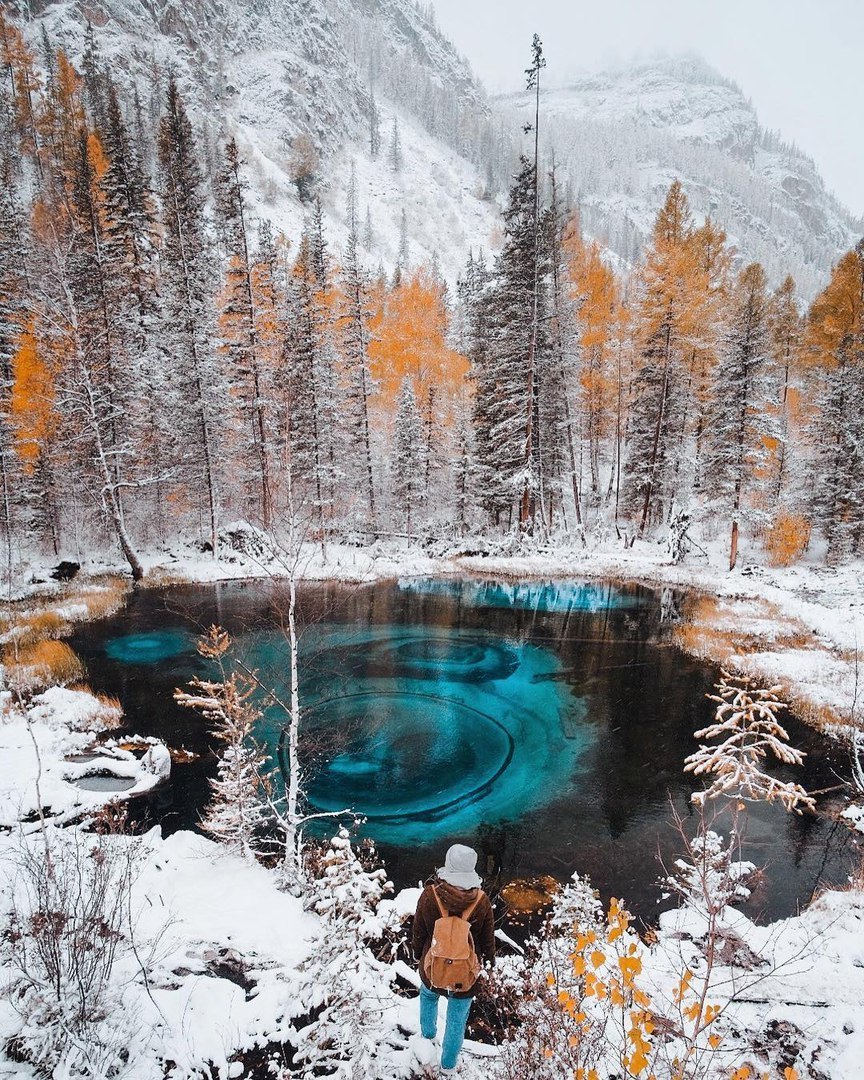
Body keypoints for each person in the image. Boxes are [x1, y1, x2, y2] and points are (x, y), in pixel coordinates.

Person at [412, 844, 495, 1075]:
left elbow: (418, 930)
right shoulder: (481, 900)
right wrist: (489, 963)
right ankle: (448, 1067)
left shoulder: (431, 894)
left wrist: (418, 954)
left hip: (433, 966)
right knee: (457, 1019)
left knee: (428, 997)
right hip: (466, 972)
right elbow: (488, 940)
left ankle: (427, 1039)